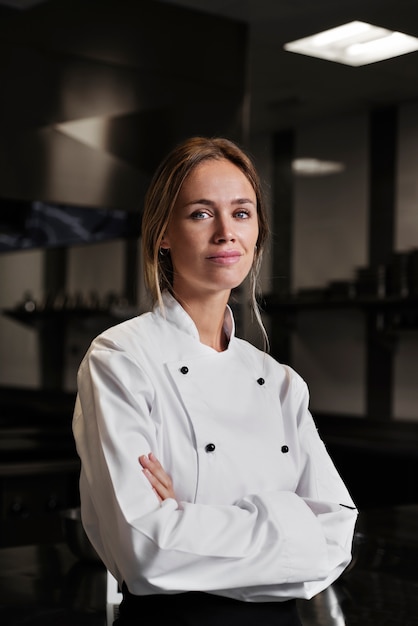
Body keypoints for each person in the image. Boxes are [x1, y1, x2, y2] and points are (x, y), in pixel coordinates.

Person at [72, 136, 358, 626]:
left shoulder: (281, 381)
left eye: (242, 213)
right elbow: (145, 551)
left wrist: (187, 516)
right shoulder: (121, 358)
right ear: (163, 233)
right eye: (201, 213)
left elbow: (335, 541)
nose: (227, 232)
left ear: (257, 232)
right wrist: (291, 520)